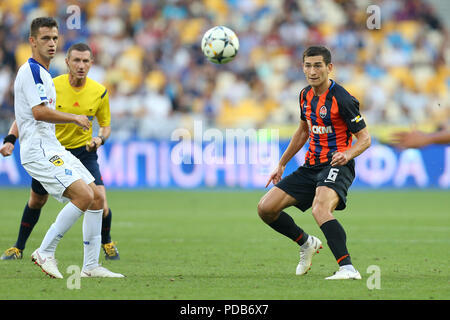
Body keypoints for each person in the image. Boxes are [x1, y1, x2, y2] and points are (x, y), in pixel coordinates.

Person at [7, 17, 123, 278]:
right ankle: (45, 251)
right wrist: (74, 118)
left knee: (95, 197)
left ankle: (91, 266)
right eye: (46, 38)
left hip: (54, 146)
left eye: (55, 38)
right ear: (32, 41)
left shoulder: (45, 74)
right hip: (39, 150)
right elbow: (38, 112)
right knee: (80, 196)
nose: (51, 43)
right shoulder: (32, 72)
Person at [257, 46, 371, 280]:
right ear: (303, 68)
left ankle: (347, 268)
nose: (312, 71)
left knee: (320, 208)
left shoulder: (342, 98)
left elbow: (365, 139)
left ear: (329, 68)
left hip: (337, 165)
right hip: (310, 167)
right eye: (308, 66)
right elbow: (302, 131)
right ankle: (306, 242)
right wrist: (281, 164)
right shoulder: (304, 95)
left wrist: (347, 155)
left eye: (318, 65)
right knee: (266, 208)